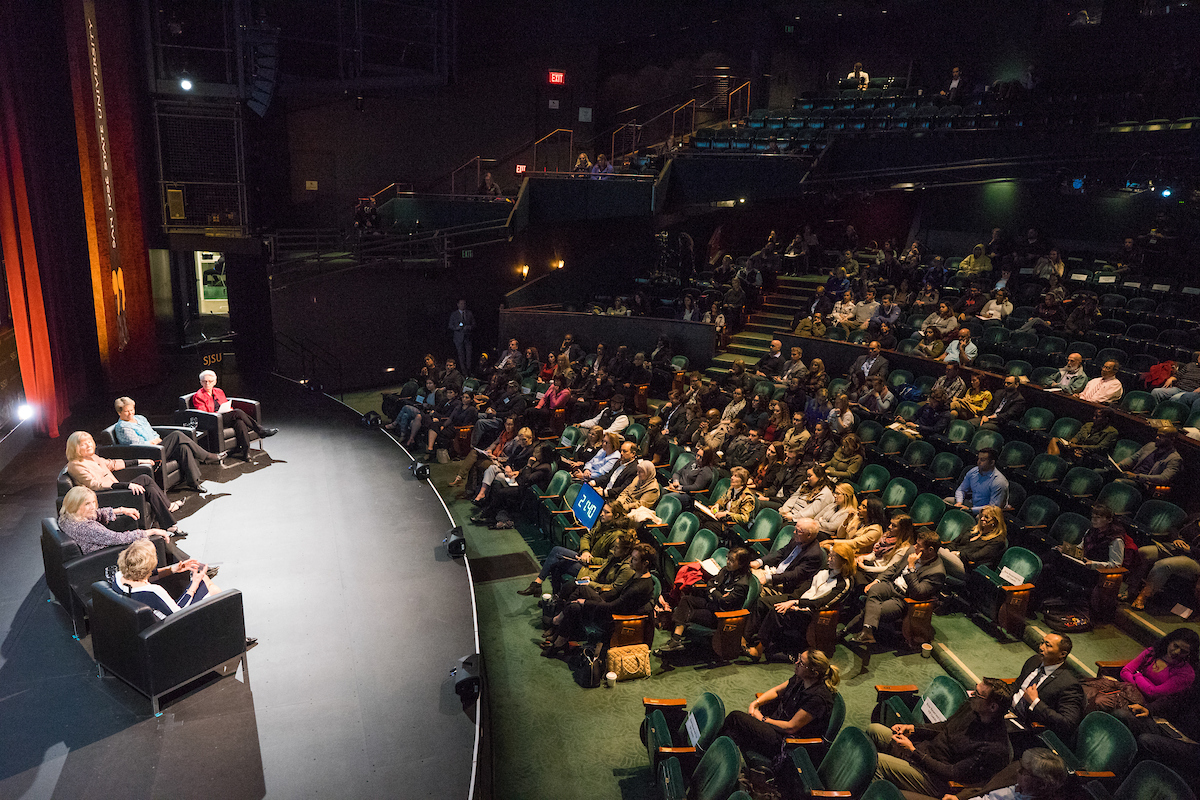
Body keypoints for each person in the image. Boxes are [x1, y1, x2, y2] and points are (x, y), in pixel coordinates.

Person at [865, 677, 1012, 796]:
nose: (972, 694)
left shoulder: (993, 748)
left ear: (993, 707)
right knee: (874, 730)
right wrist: (913, 730)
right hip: (924, 750)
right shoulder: (973, 707)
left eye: (978, 694)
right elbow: (946, 726)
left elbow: (952, 772)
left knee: (877, 763)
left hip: (935, 779)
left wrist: (912, 752)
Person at [717, 649, 841, 761]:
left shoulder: (818, 698)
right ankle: (720, 756)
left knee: (735, 718)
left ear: (814, 673)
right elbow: (777, 691)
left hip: (786, 741)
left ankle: (710, 751)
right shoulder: (801, 679)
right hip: (776, 724)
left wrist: (762, 719)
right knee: (736, 731)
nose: (796, 663)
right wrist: (755, 704)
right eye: (798, 658)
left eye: (801, 663)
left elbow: (791, 727)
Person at [744, 542, 857, 661]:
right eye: (830, 555)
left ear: (844, 561)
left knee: (777, 611)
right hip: (798, 601)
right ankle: (745, 638)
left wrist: (796, 603)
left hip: (811, 613)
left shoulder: (844, 583)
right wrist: (793, 599)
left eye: (833, 557)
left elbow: (823, 603)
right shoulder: (824, 571)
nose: (829, 559)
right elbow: (806, 586)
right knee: (762, 602)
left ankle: (758, 649)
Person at [541, 543, 656, 658]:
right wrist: (597, 596)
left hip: (613, 618)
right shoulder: (638, 575)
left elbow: (614, 606)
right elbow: (616, 591)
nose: (630, 561)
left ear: (645, 563)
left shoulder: (638, 587)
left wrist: (587, 602)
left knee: (578, 599)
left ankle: (558, 631)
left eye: (635, 559)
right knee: (578, 597)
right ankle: (559, 636)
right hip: (611, 608)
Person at [65, 431, 184, 533]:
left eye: (89, 442)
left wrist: (139, 461)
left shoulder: (93, 457)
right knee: (145, 479)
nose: (88, 445)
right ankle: (168, 509)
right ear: (74, 448)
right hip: (106, 496)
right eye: (83, 444)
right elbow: (95, 485)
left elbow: (113, 464)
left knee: (148, 485)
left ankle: (169, 525)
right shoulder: (75, 465)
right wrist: (127, 485)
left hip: (116, 490)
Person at [852, 527, 946, 645]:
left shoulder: (937, 572)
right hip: (891, 586)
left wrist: (911, 568)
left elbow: (918, 592)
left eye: (918, 546)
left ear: (930, 550)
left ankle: (848, 632)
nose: (915, 547)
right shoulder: (912, 550)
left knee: (871, 610)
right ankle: (867, 633)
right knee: (874, 589)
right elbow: (895, 567)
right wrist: (877, 580)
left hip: (903, 598)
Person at [518, 502, 635, 595]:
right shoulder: (602, 523)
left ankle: (541, 588)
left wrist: (589, 559)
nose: (602, 514)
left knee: (557, 559)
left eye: (606, 512)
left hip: (592, 567)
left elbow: (609, 562)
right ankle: (547, 591)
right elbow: (586, 536)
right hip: (585, 558)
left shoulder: (617, 536)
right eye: (603, 511)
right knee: (556, 555)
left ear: (616, 516)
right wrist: (585, 551)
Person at [113, 397, 224, 492]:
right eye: (127, 411)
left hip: (158, 446)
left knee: (183, 447)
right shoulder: (123, 427)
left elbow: (153, 432)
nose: (131, 413)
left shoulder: (140, 418)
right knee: (176, 435)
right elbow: (135, 446)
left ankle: (194, 482)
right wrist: (152, 442)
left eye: (132, 410)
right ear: (119, 412)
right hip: (148, 453)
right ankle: (207, 456)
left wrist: (157, 439)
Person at [657, 546, 753, 653]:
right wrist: (715, 592)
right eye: (727, 558)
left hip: (720, 615)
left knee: (688, 612)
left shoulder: (742, 584)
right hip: (711, 604)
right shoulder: (725, 570)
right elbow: (711, 584)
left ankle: (675, 638)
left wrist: (714, 591)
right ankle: (676, 639)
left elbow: (724, 601)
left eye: (732, 560)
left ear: (741, 564)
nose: (728, 562)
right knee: (686, 600)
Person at [112, 539, 222, 622]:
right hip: (169, 626)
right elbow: (178, 613)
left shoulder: (118, 578)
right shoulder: (153, 591)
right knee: (211, 587)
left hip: (144, 622)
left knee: (208, 585)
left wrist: (172, 569)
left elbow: (149, 574)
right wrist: (194, 583)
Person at [1007, 633, 1085, 745]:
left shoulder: (1069, 684)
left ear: (1062, 654)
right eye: (1042, 642)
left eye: (1048, 645)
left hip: (1027, 729)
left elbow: (1067, 724)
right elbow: (1016, 686)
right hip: (1007, 711)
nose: (1041, 647)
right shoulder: (1034, 661)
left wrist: (1035, 702)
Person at [904, 748, 1068, 800]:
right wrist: (958, 797)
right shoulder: (1014, 772)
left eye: (1025, 771)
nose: (1018, 770)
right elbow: (984, 787)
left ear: (1041, 784)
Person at [57, 486, 172, 555]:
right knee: (154, 540)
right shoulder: (86, 527)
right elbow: (119, 538)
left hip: (102, 550)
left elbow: (96, 513)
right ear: (75, 505)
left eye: (93, 502)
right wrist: (152, 531)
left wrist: (121, 510)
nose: (93, 507)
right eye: (87, 504)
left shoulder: (66, 517)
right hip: (108, 556)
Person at [190, 370, 279, 460]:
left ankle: (246, 452)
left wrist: (228, 410)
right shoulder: (198, 396)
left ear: (215, 382)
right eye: (204, 381)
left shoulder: (219, 391)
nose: (207, 384)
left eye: (210, 381)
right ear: (201, 382)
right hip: (213, 420)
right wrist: (219, 414)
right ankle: (261, 431)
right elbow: (204, 414)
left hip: (224, 417)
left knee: (239, 422)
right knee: (238, 412)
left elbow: (225, 404)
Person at [471, 443, 555, 528]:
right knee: (497, 483)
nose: (534, 454)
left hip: (526, 492)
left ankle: (488, 513)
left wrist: (529, 465)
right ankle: (494, 514)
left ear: (543, 454)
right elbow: (524, 471)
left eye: (537, 453)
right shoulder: (538, 462)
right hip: (520, 484)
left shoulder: (545, 468)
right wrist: (518, 472)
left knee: (501, 492)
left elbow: (527, 479)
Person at [1128, 515, 1200, 610]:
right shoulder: (1195, 517)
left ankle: (1144, 596)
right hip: (1176, 549)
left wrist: (1191, 549)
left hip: (1195, 559)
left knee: (1163, 565)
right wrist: (1176, 539)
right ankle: (1131, 589)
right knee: (1143, 552)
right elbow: (1174, 528)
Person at [751, 519, 825, 599]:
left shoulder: (814, 555)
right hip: (775, 573)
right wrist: (759, 562)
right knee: (743, 573)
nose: (794, 532)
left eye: (798, 531)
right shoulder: (797, 539)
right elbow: (781, 553)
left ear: (809, 535)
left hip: (783, 585)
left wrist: (769, 578)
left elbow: (794, 574)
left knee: (751, 588)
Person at [939, 505, 1007, 582]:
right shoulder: (973, 529)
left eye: (986, 517)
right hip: (951, 556)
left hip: (966, 566)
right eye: (981, 516)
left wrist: (958, 554)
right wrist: (948, 550)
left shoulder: (997, 541)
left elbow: (976, 556)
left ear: (995, 521)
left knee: (936, 550)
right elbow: (955, 542)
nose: (982, 519)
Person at [1117, 429, 1182, 490]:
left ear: (1172, 439)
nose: (1157, 438)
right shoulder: (1150, 445)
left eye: (1161, 436)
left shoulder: (1174, 458)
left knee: (1118, 482)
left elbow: (1164, 478)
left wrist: (1136, 476)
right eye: (1157, 435)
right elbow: (1133, 458)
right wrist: (1119, 465)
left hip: (1144, 484)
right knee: (1109, 473)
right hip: (1131, 476)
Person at [1049, 406, 1117, 460]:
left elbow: (1100, 448)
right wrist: (1072, 442)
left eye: (1097, 417)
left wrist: (1079, 447)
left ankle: (1052, 460)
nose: (1093, 418)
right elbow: (1078, 436)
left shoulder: (1111, 432)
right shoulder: (1088, 425)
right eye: (1094, 415)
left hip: (1091, 455)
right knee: (1054, 440)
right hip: (1076, 449)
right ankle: (1052, 460)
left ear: (1106, 419)